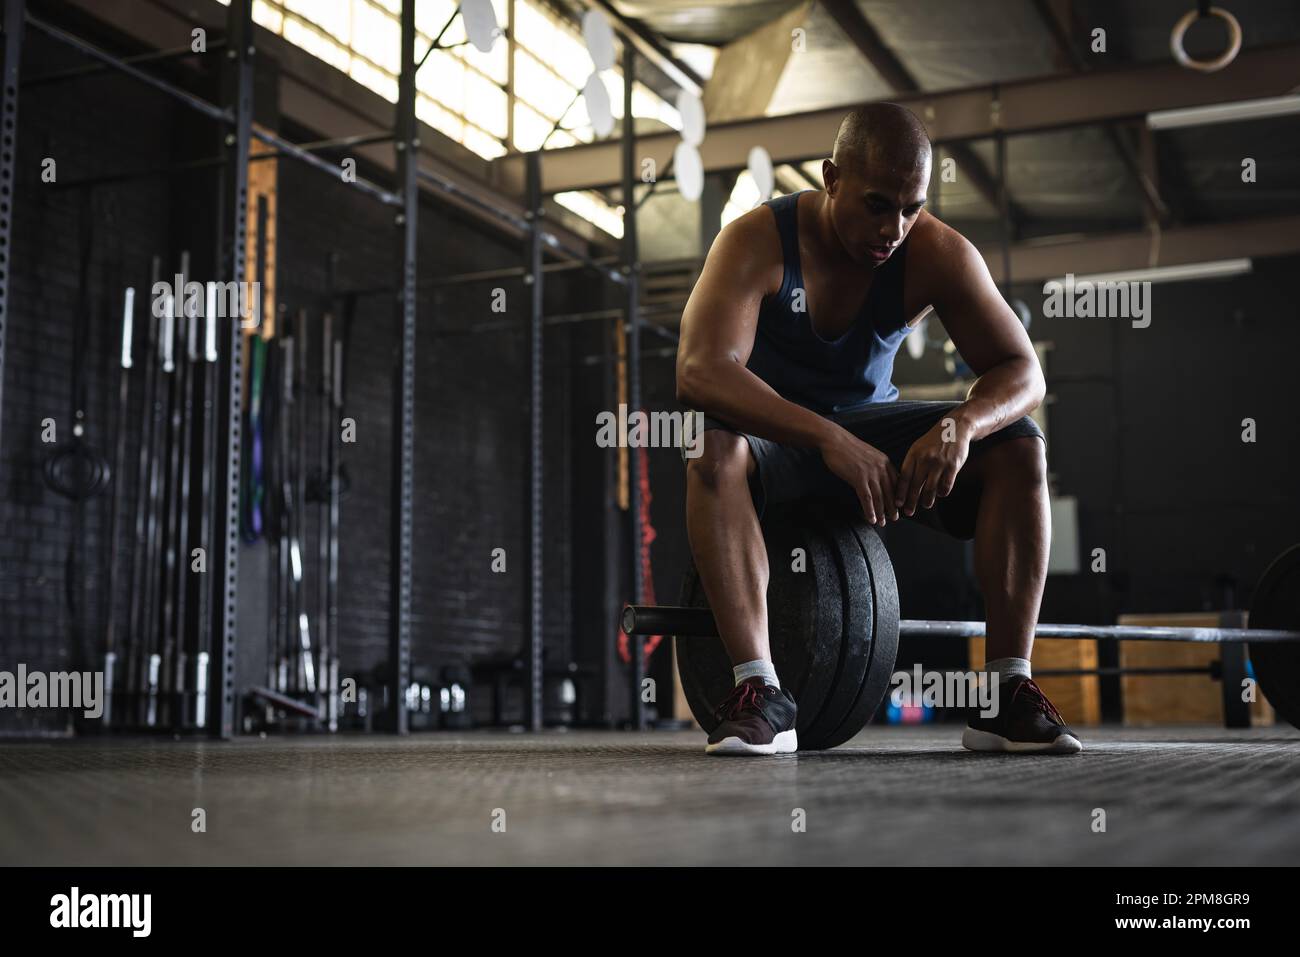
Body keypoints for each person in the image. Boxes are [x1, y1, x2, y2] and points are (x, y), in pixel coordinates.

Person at [675, 103, 1081, 756]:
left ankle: (1007, 691)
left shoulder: (937, 252)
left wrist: (962, 424)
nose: (893, 228)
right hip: (774, 443)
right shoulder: (756, 239)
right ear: (831, 177)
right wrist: (830, 439)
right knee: (709, 448)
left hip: (878, 447)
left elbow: (1023, 372)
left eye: (911, 207)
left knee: (1019, 444)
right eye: (876, 204)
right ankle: (760, 692)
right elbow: (700, 372)